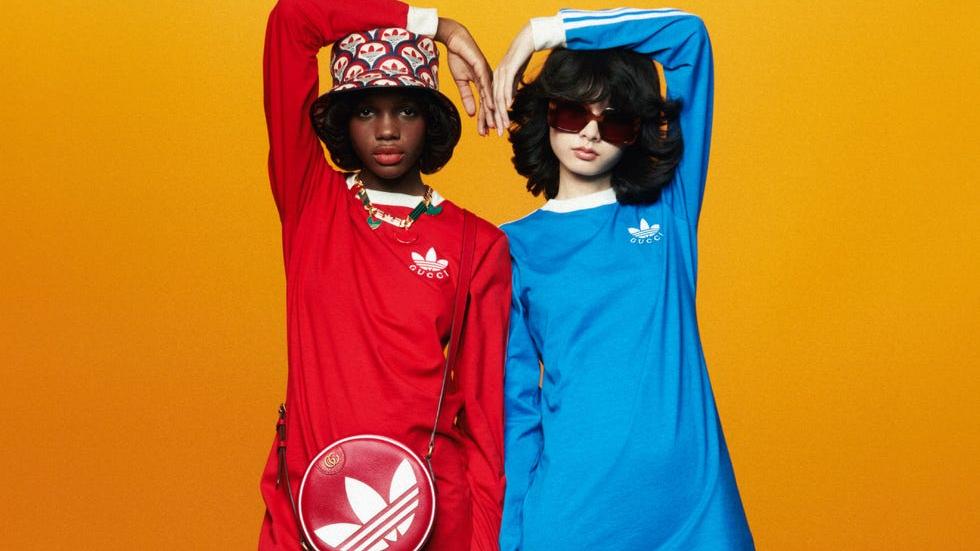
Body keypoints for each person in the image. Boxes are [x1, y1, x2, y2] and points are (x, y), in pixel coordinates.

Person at [492, 7, 755, 550]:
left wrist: (544, 33)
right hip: (575, 510)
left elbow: (688, 37)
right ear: (545, 113)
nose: (591, 132)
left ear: (636, 133)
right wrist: (511, 535)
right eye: (572, 113)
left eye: (614, 121)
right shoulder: (510, 248)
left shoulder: (668, 211)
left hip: (693, 506)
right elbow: (515, 410)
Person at [258, 0, 510, 548]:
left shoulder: (477, 244)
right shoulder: (311, 203)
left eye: (407, 110)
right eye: (367, 110)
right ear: (343, 121)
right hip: (311, 505)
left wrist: (485, 541)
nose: (388, 129)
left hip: (432, 511)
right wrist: (439, 27)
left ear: (431, 119)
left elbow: (486, 421)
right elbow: (292, 22)